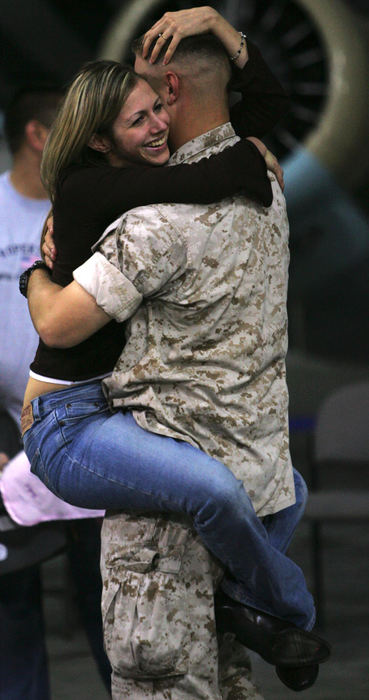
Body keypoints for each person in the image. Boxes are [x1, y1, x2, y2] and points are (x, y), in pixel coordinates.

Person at [21, 8, 330, 693]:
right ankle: (281, 606)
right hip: (71, 419)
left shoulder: (153, 220)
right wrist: (32, 275)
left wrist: (222, 35)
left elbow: (180, 187)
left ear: (167, 90)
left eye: (149, 104)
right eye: (132, 119)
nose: (151, 123)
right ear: (102, 140)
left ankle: (245, 605)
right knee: (243, 495)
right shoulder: (246, 188)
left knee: (187, 675)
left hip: (134, 440)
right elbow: (60, 326)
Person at [0, 86, 111, 698]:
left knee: (107, 601)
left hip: (85, 426)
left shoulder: (90, 207)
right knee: (12, 602)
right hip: (3, 431)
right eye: (69, 130)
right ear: (39, 137)